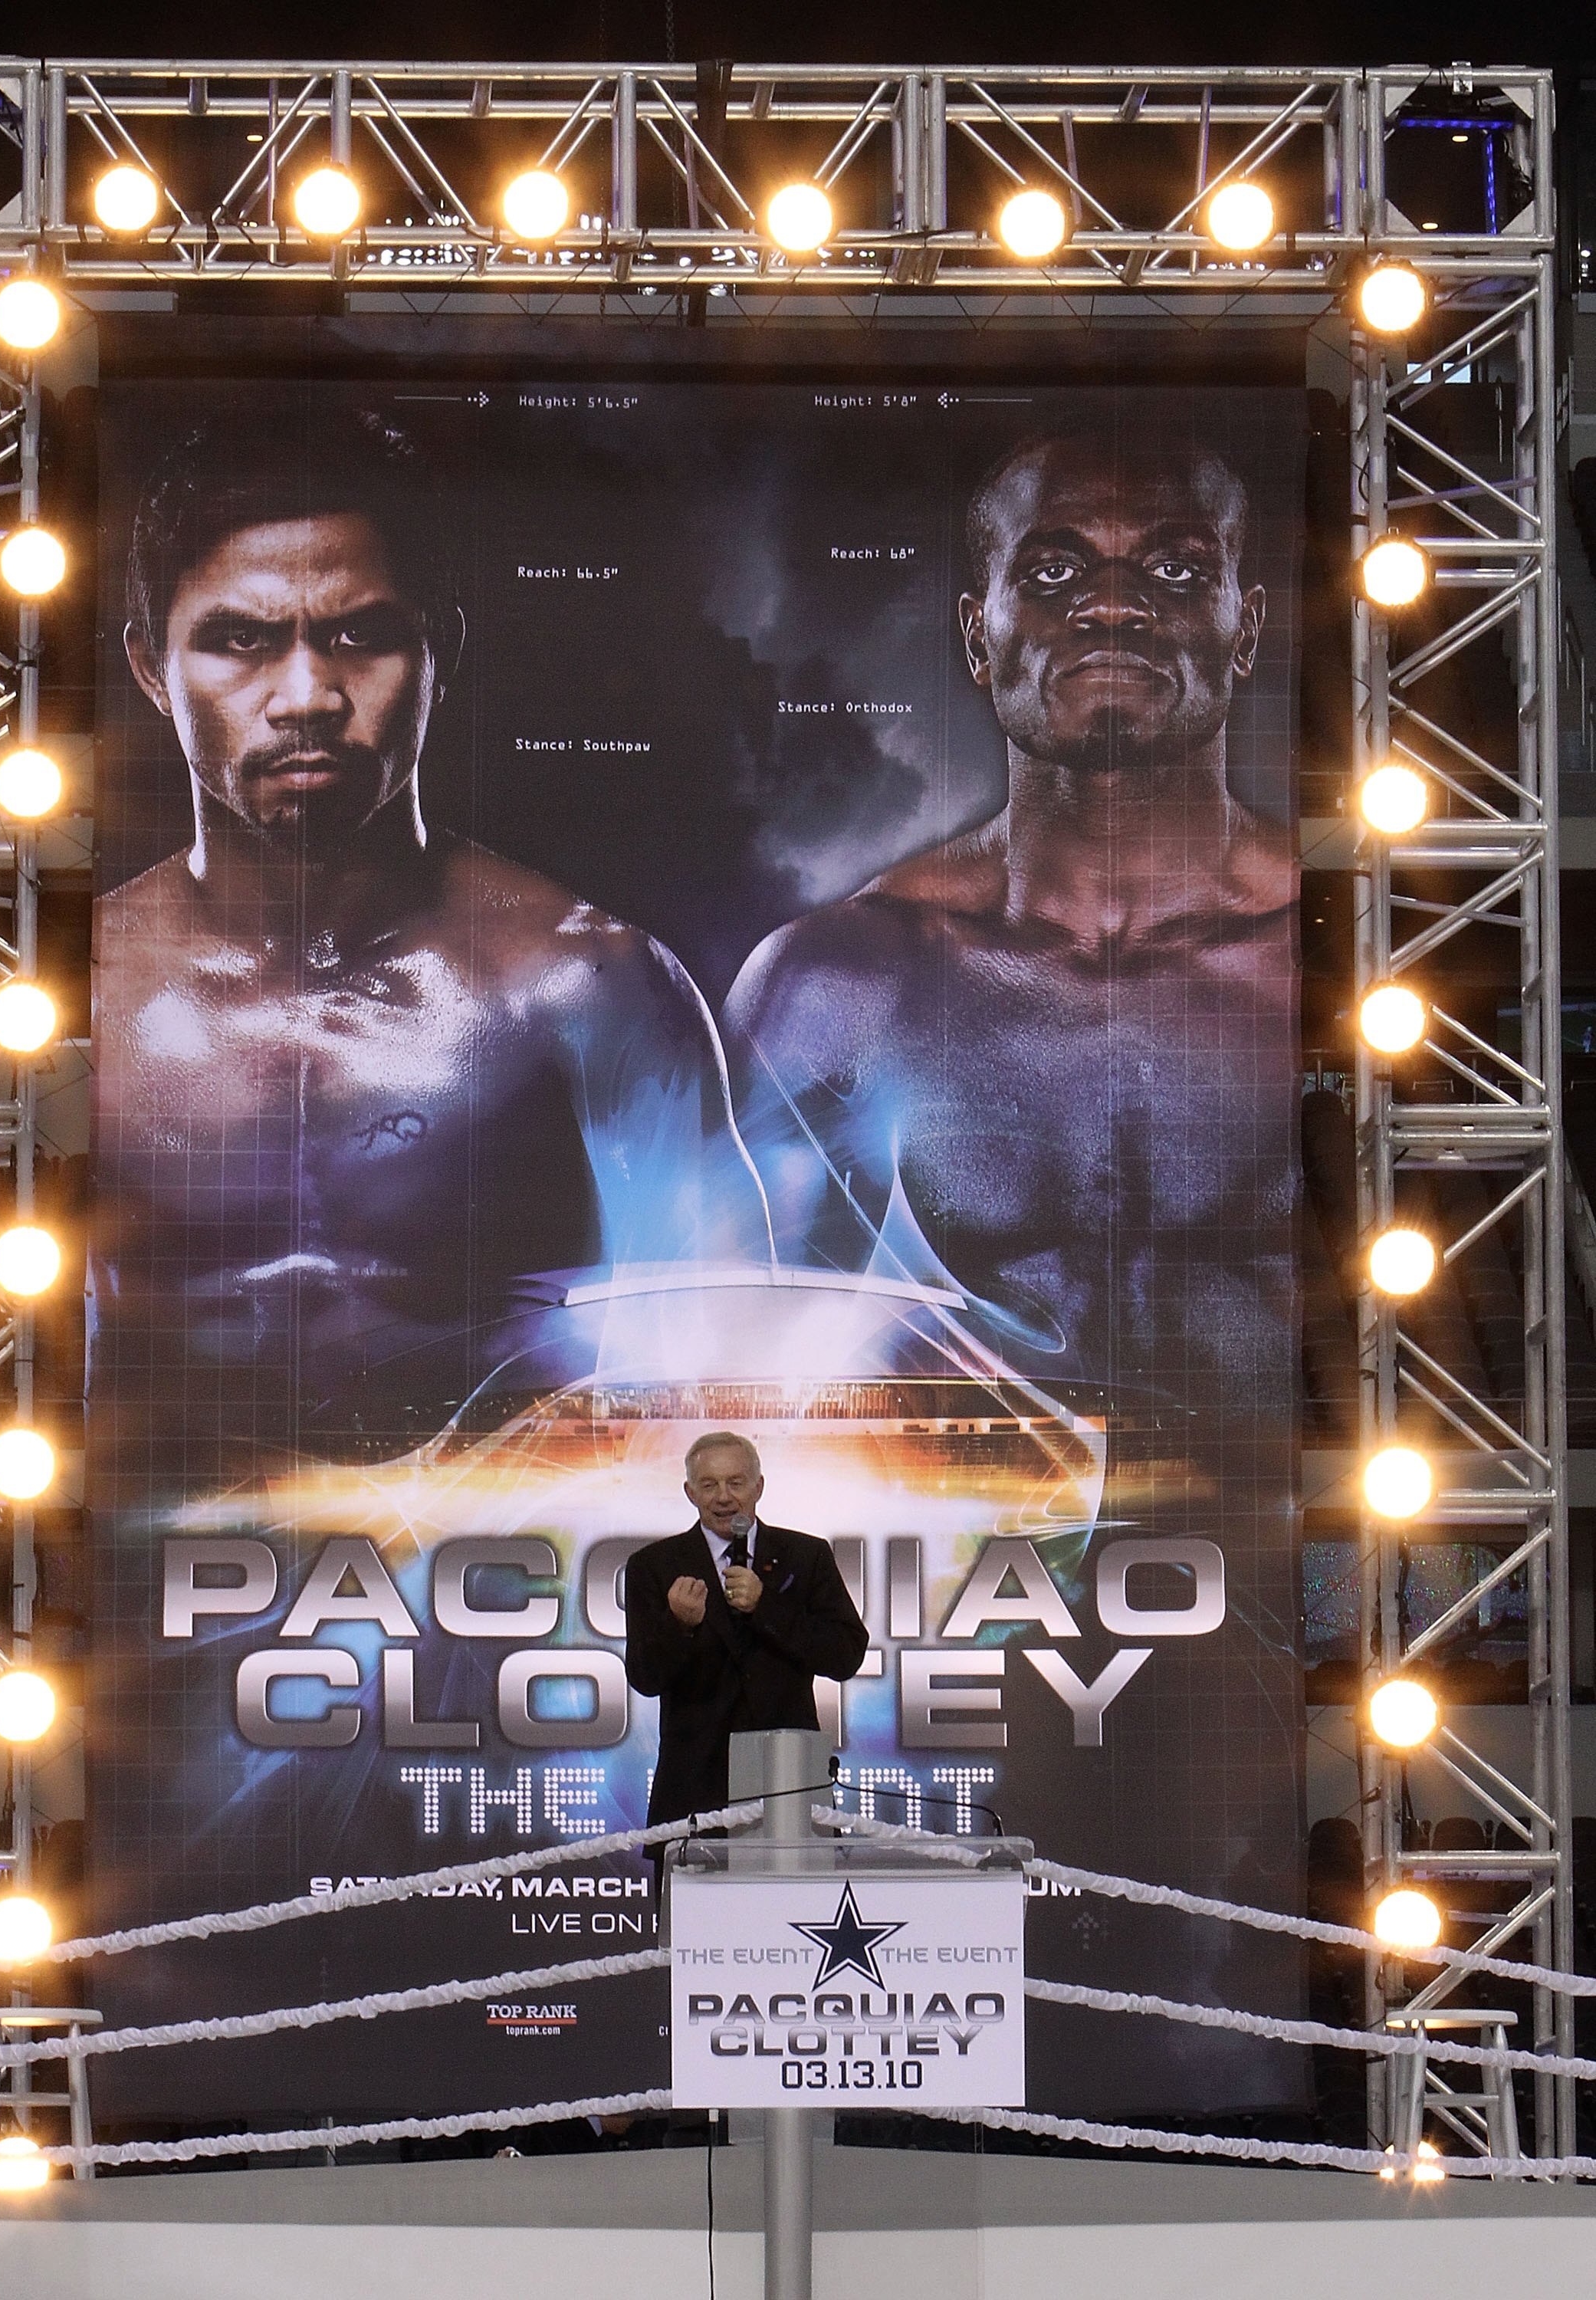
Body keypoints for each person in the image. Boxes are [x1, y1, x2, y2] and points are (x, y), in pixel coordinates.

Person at [91, 402, 770, 1443]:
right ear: (152, 668)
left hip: (504, 1577)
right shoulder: (84, 986)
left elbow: (726, 1363)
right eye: (240, 642)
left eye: (360, 636)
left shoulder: (583, 981)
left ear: (437, 652)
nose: (308, 695)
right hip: (158, 1574)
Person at [722, 427, 1297, 1397]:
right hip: (958, 1529)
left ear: (1242, 630)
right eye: (1052, 570)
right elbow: (735, 1340)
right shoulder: (843, 977)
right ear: (975, 635)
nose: (1112, 604)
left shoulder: (1345, 949)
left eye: (1173, 568)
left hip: (1303, 1520)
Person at [623, 1431, 868, 1828]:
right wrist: (679, 1626)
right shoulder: (654, 1566)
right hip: (694, 1788)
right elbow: (645, 1677)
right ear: (690, 1492)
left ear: (759, 1487)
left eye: (735, 1483)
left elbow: (845, 1655)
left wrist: (766, 1607)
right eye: (709, 1484)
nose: (723, 1497)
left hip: (789, 1780)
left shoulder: (806, 1556)